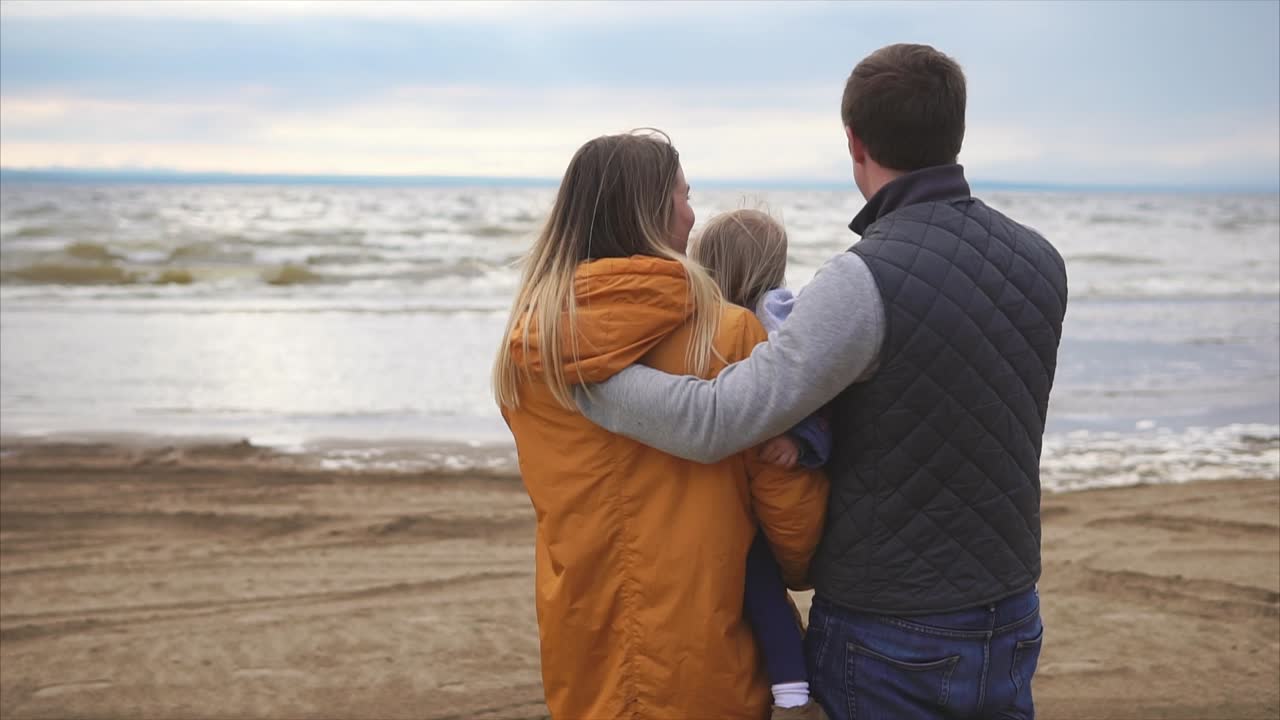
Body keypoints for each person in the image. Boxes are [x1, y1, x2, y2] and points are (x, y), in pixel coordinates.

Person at [576, 45, 1069, 720]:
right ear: (955, 132)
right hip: (1012, 611)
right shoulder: (1040, 260)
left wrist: (590, 386)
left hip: (888, 625)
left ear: (854, 142)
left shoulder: (863, 279)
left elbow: (723, 420)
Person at [493, 130, 829, 720]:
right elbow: (786, 509)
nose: (693, 215)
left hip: (582, 630)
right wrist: (803, 564)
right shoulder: (726, 335)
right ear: (656, 211)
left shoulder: (530, 349)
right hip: (708, 639)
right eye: (685, 195)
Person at [688, 208, 835, 713]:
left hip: (764, 471)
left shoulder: (771, 316)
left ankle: (792, 688)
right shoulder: (720, 318)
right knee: (752, 577)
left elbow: (814, 390)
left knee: (757, 575)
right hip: (737, 472)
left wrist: (802, 441)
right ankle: (791, 683)